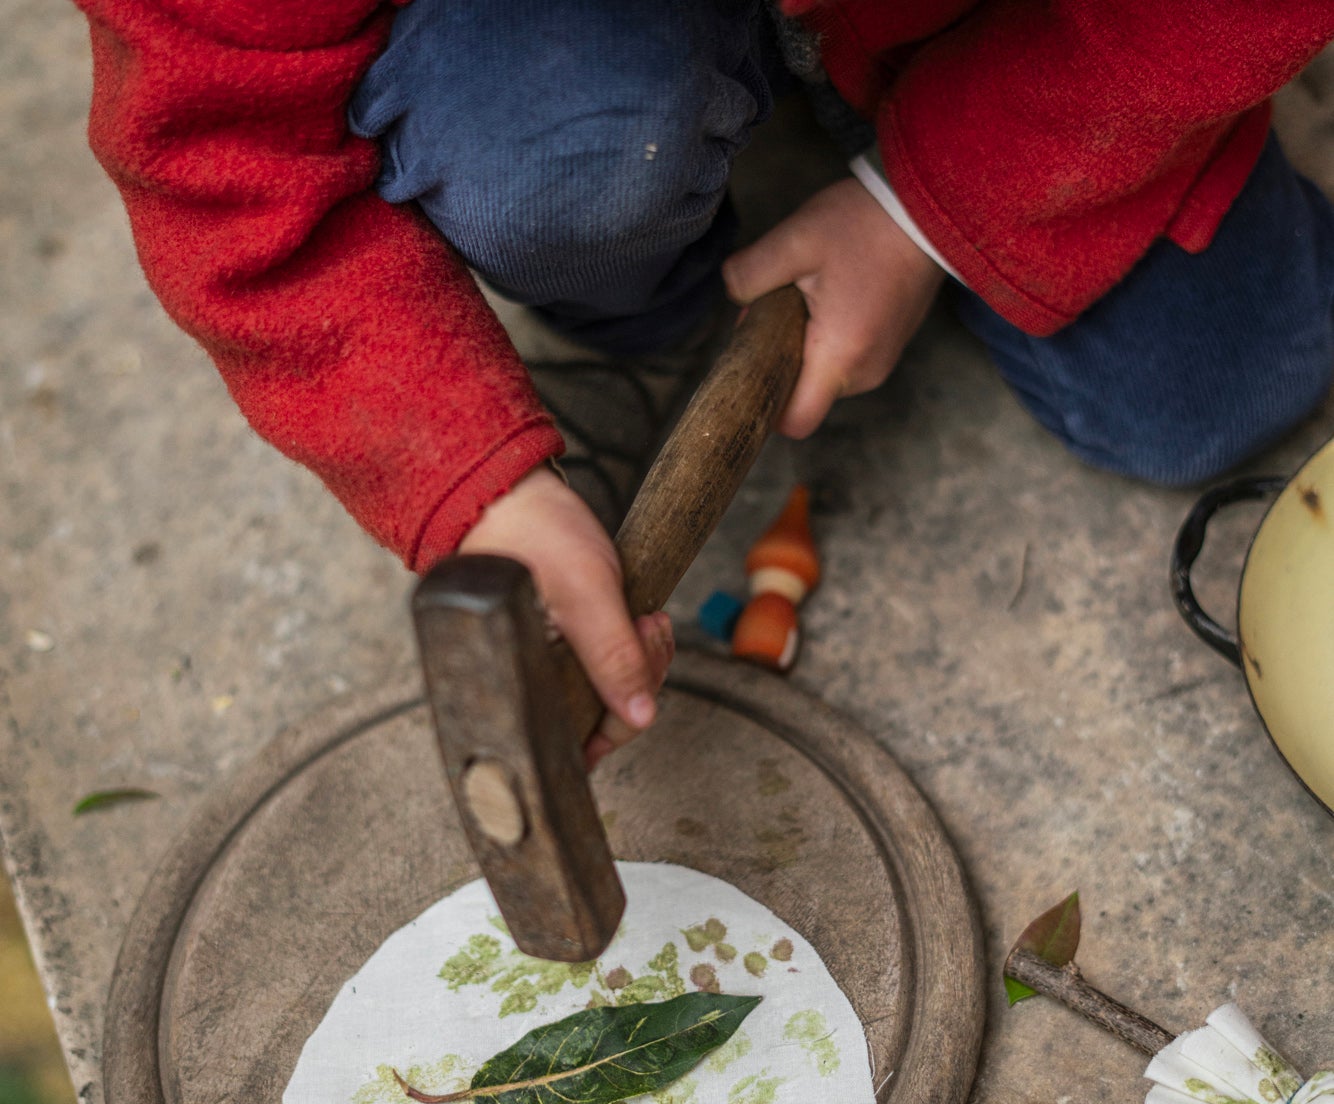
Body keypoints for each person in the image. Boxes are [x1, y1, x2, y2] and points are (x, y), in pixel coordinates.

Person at [76, 0, 1334, 764]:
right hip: (564, 25)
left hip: (971, 14)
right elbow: (223, 158)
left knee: (1211, 384)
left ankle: (863, 89)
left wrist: (927, 211)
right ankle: (637, 257)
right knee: (564, 171)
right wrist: (461, 473)